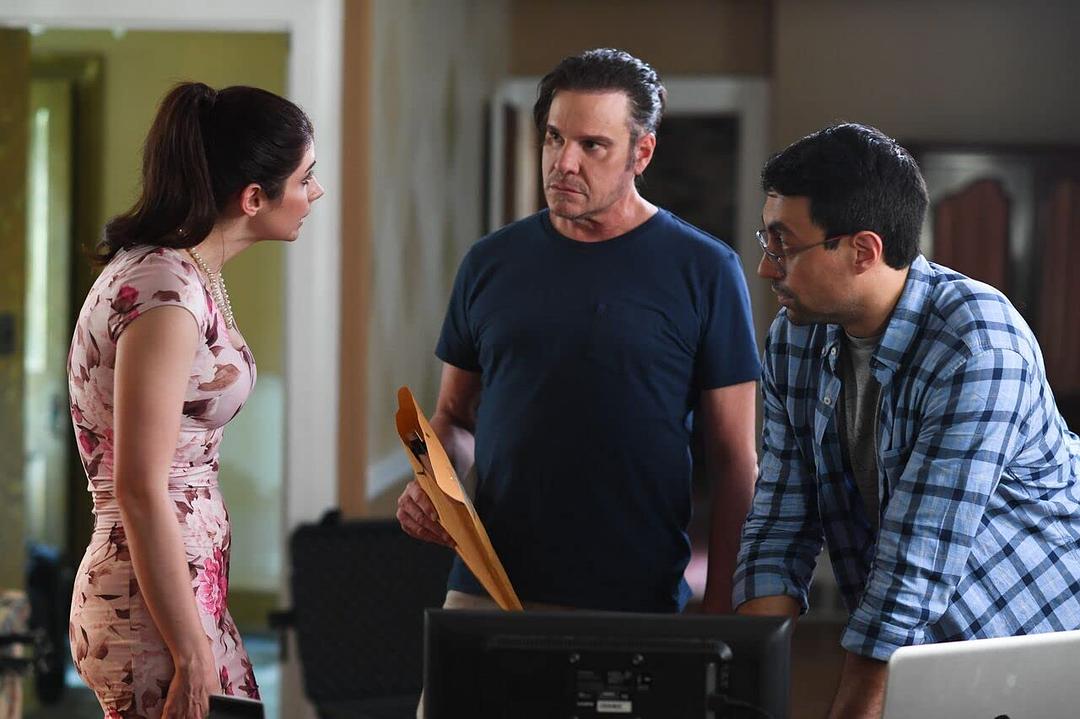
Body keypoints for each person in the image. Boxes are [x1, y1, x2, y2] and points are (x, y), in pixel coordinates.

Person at [396, 48, 760, 616]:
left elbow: (734, 461)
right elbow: (454, 418)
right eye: (554, 138)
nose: (564, 162)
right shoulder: (489, 262)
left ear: (641, 152)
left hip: (635, 595)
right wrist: (432, 480)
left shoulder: (706, 269)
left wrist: (721, 608)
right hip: (488, 584)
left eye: (592, 145)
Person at [734, 122, 1080, 718]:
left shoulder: (977, 344)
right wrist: (745, 695)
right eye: (767, 241)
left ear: (863, 250)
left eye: (783, 245)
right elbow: (779, 523)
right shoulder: (794, 338)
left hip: (1038, 643)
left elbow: (916, 561)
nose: (768, 269)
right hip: (921, 654)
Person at [67, 82, 324, 719]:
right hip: (148, 608)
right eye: (305, 178)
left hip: (177, 592)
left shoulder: (186, 275)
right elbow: (139, 487)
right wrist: (189, 651)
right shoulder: (166, 290)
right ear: (254, 198)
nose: (316, 192)